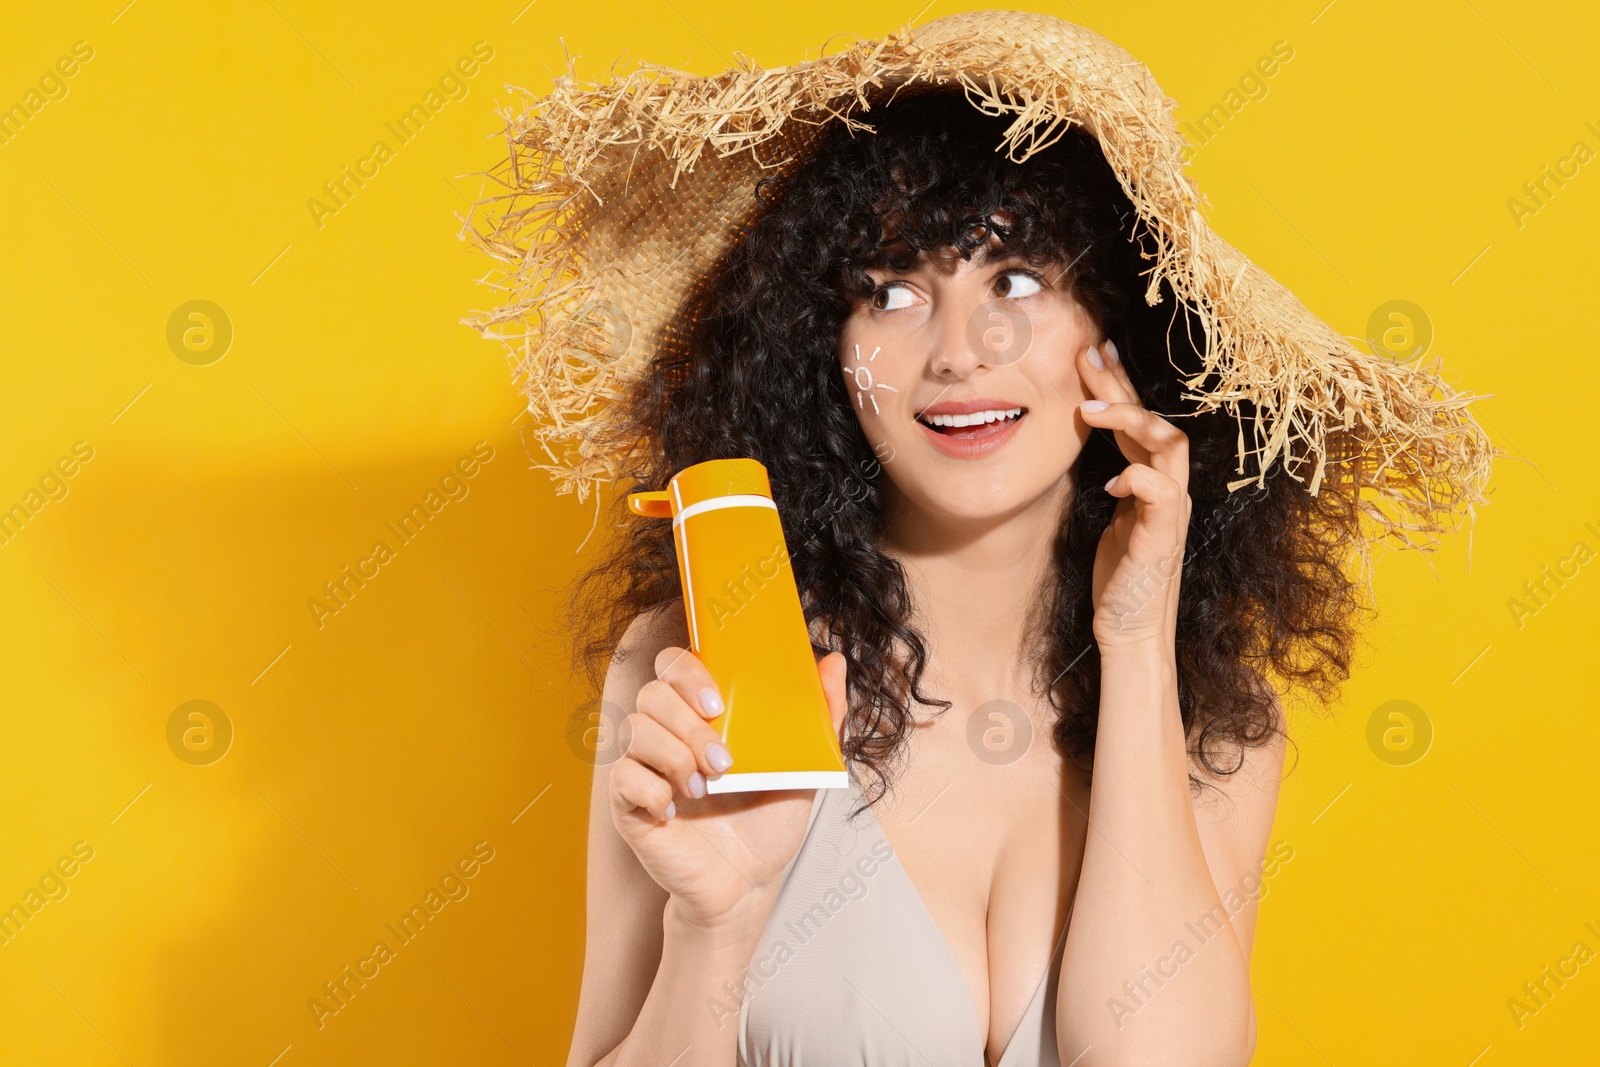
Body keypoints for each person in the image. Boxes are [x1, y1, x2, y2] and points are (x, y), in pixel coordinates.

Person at [462, 13, 1492, 1066]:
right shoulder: (701, 670)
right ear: (824, 346)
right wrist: (713, 920)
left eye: (1015, 279)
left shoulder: (1219, 720)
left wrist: (1136, 649)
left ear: (1117, 326)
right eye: (893, 291)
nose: (959, 352)